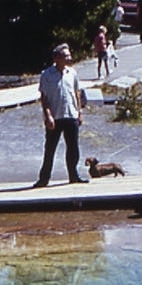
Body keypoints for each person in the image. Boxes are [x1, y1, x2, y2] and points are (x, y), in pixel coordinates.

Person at [35, 43, 87, 187]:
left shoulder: (72, 73)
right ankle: (44, 178)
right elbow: (44, 98)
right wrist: (48, 116)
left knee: (73, 147)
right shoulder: (46, 75)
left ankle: (73, 175)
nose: (69, 58)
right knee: (50, 148)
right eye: (66, 56)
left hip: (71, 114)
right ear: (57, 58)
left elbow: (77, 93)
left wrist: (79, 112)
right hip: (55, 116)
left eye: (69, 55)